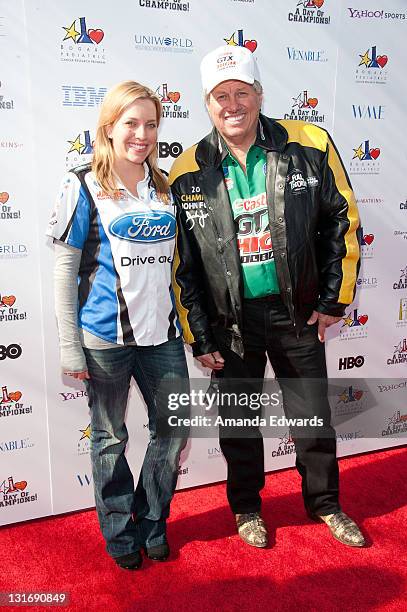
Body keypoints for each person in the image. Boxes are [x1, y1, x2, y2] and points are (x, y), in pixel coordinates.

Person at [169, 46, 365, 548]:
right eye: (220, 96)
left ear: (259, 95)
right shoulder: (188, 168)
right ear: (207, 104)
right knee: (238, 424)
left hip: (297, 313)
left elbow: (342, 221)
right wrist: (199, 334)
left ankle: (325, 504)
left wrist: (331, 300)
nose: (232, 104)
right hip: (229, 322)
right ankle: (247, 509)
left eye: (241, 92)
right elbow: (182, 263)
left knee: (311, 418)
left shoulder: (309, 142)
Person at [47, 81, 189, 569]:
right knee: (110, 439)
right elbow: (65, 272)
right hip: (104, 339)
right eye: (131, 123)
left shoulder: (166, 186)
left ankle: (152, 522)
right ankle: (120, 534)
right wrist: (70, 348)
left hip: (163, 337)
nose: (142, 134)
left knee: (172, 431)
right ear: (109, 127)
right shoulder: (81, 183)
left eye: (151, 124)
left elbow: (180, 269)